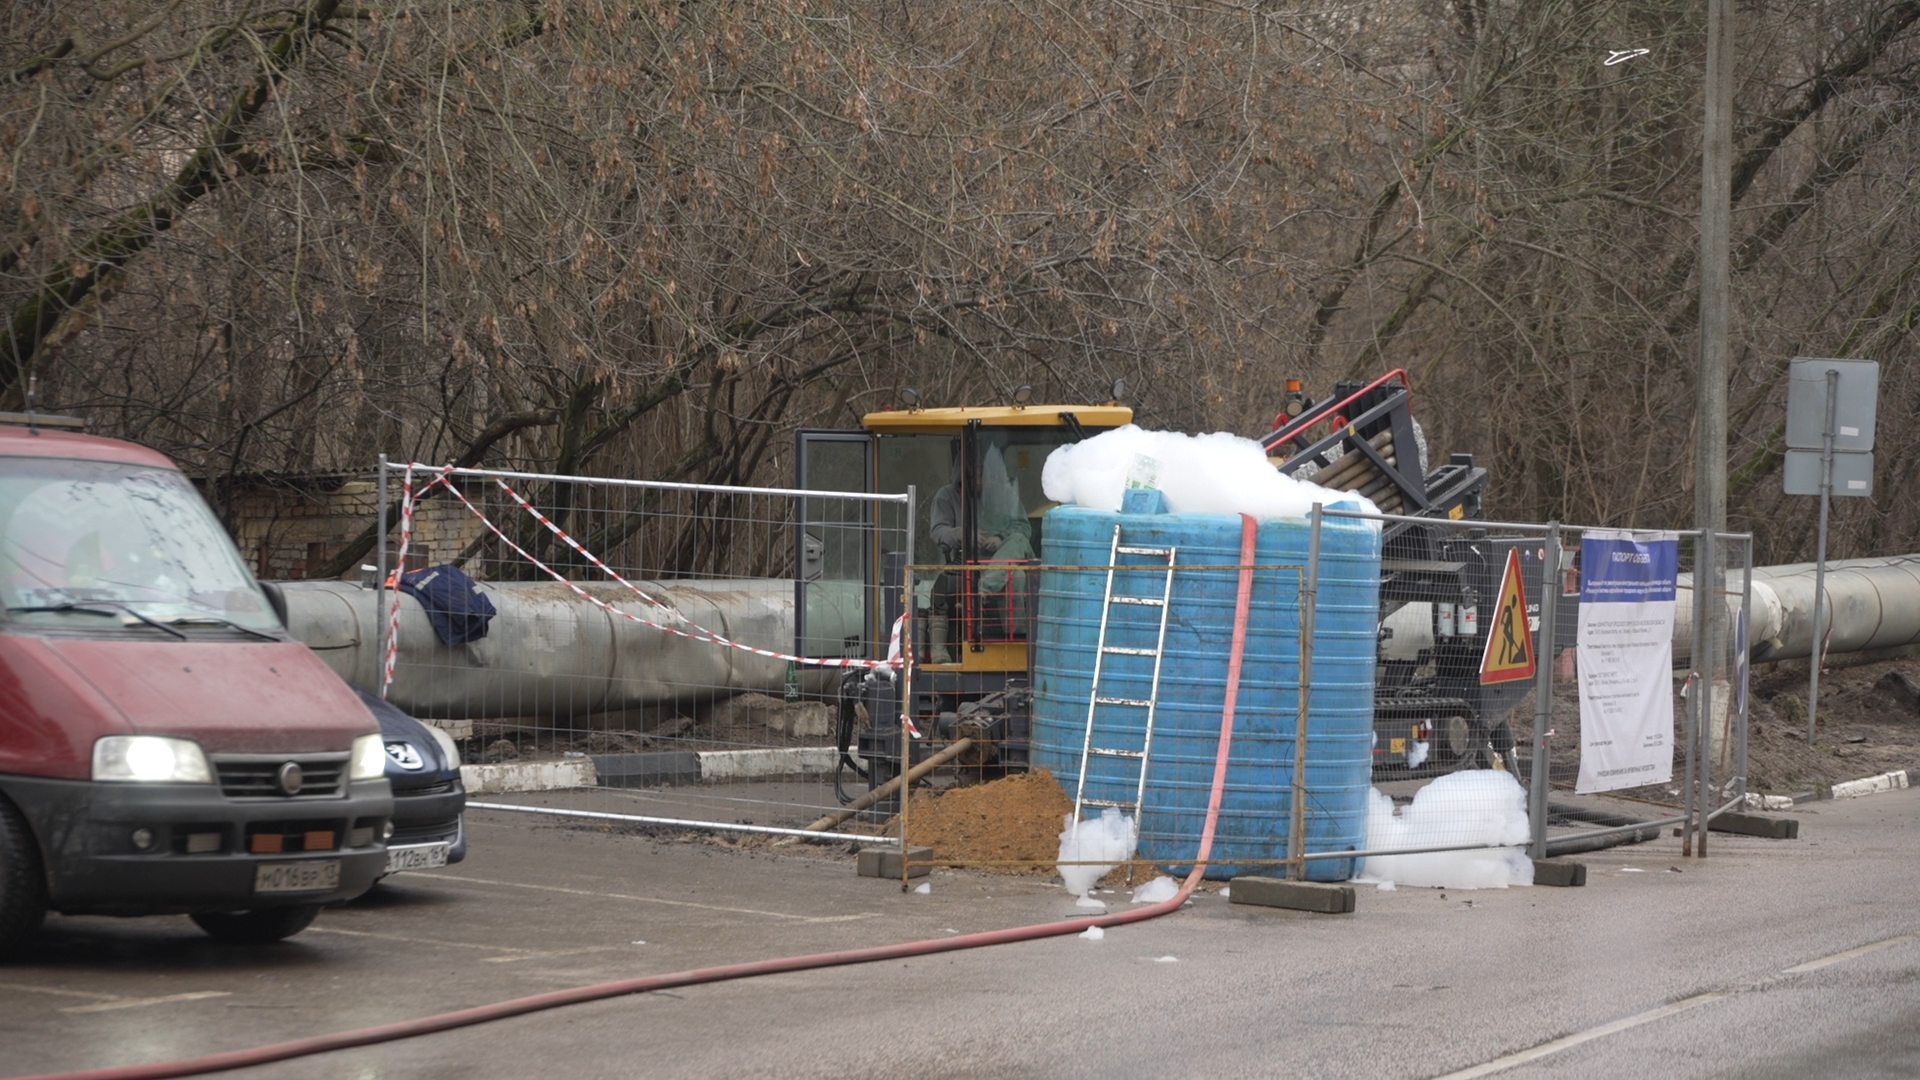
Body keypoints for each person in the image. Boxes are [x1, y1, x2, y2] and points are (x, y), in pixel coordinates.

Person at [927, 442, 1031, 662]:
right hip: (965, 565)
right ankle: (987, 588)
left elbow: (1023, 528)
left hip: (1004, 560)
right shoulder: (946, 496)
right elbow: (937, 531)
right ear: (961, 474)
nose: (979, 480)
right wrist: (964, 534)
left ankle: (1019, 647)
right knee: (1013, 577)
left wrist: (999, 538)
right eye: (973, 475)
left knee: (1018, 570)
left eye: (982, 474)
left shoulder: (1004, 494)